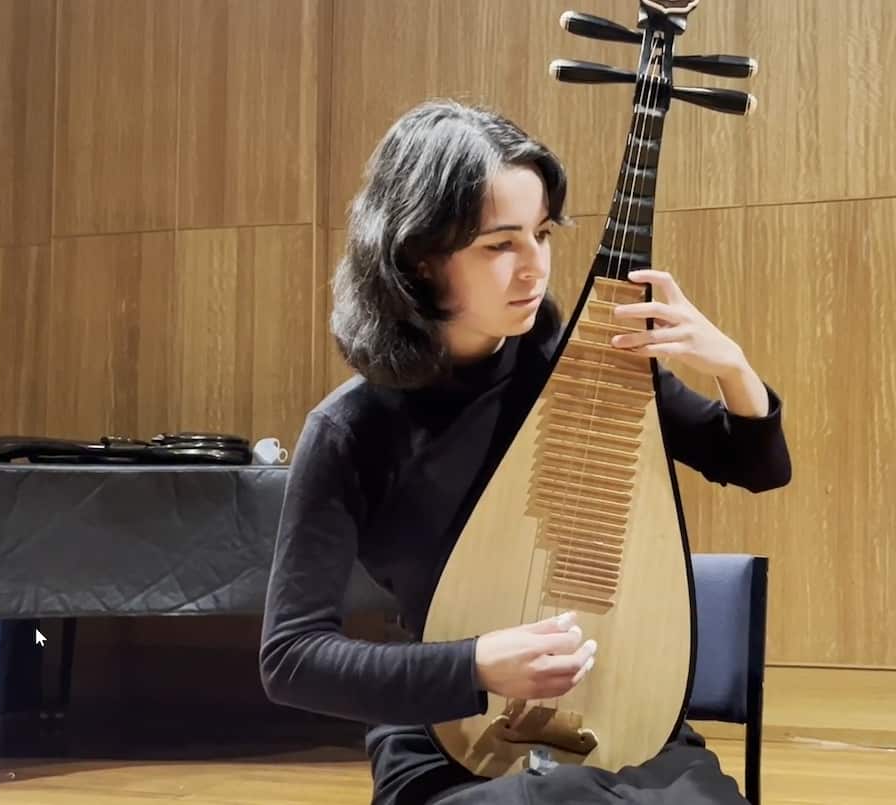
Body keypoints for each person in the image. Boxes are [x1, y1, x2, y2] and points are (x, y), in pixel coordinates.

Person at [259, 99, 792, 804]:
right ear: (419, 256)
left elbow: (754, 466)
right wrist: (475, 663)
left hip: (622, 725)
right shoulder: (352, 429)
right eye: (498, 244)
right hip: (446, 734)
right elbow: (291, 658)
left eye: (542, 234)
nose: (533, 267)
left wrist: (731, 365)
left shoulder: (585, 369)